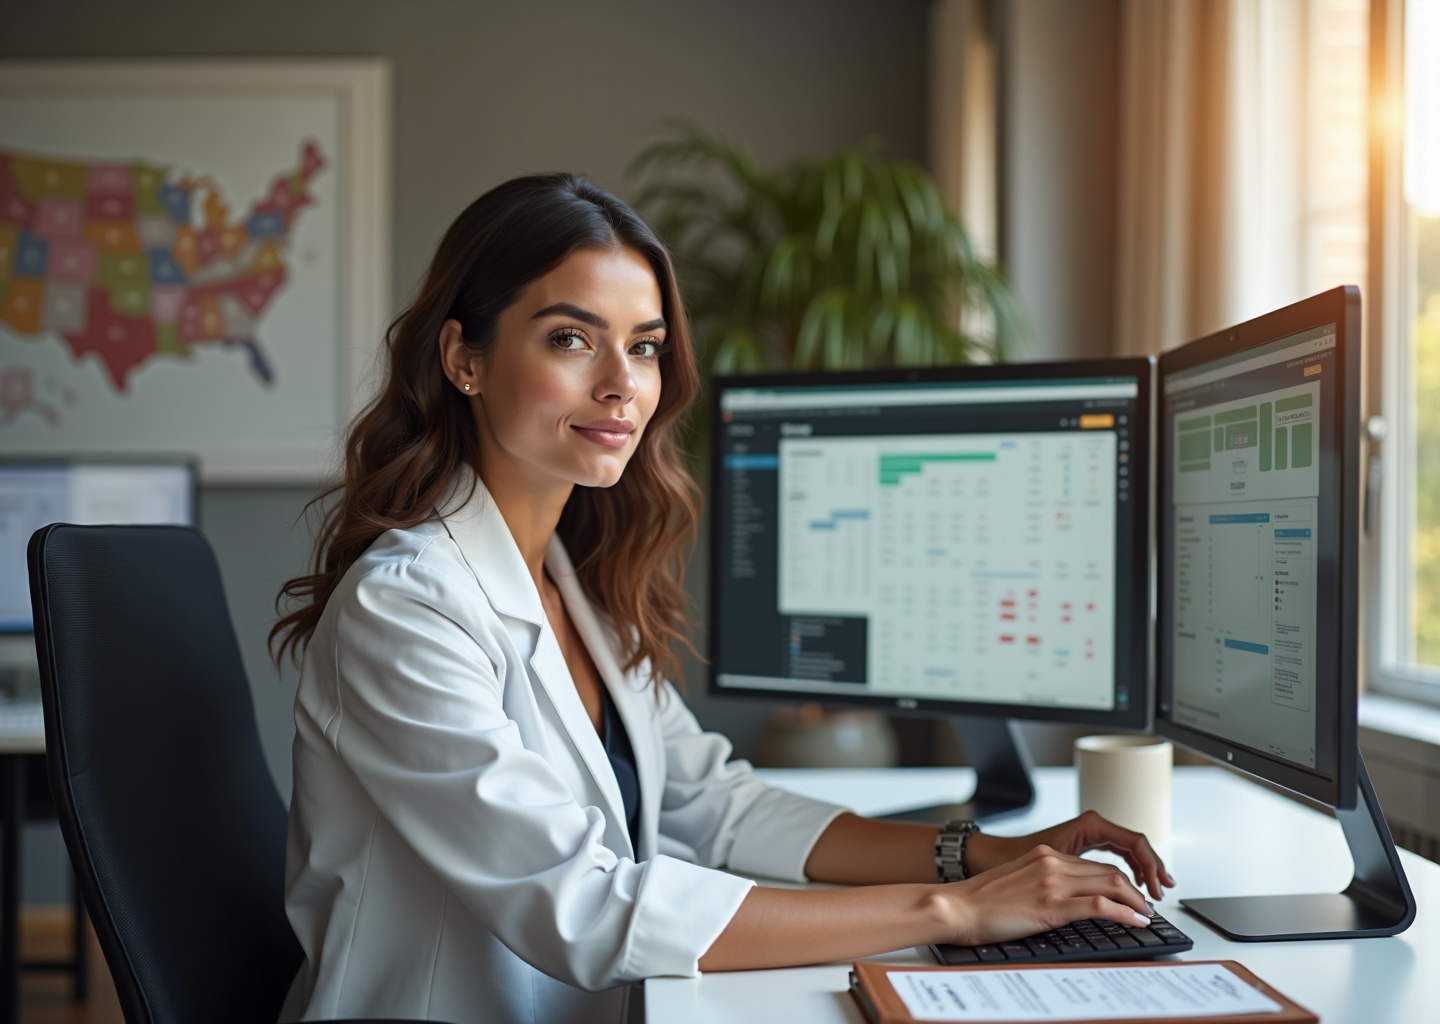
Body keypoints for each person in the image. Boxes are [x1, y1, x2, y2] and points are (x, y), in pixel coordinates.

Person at [272, 174, 1174, 1024]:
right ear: (464, 358)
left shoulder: (571, 579)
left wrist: (988, 853)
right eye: (571, 339)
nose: (623, 384)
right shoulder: (406, 608)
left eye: (646, 346)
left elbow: (718, 806)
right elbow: (582, 909)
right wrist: (958, 909)